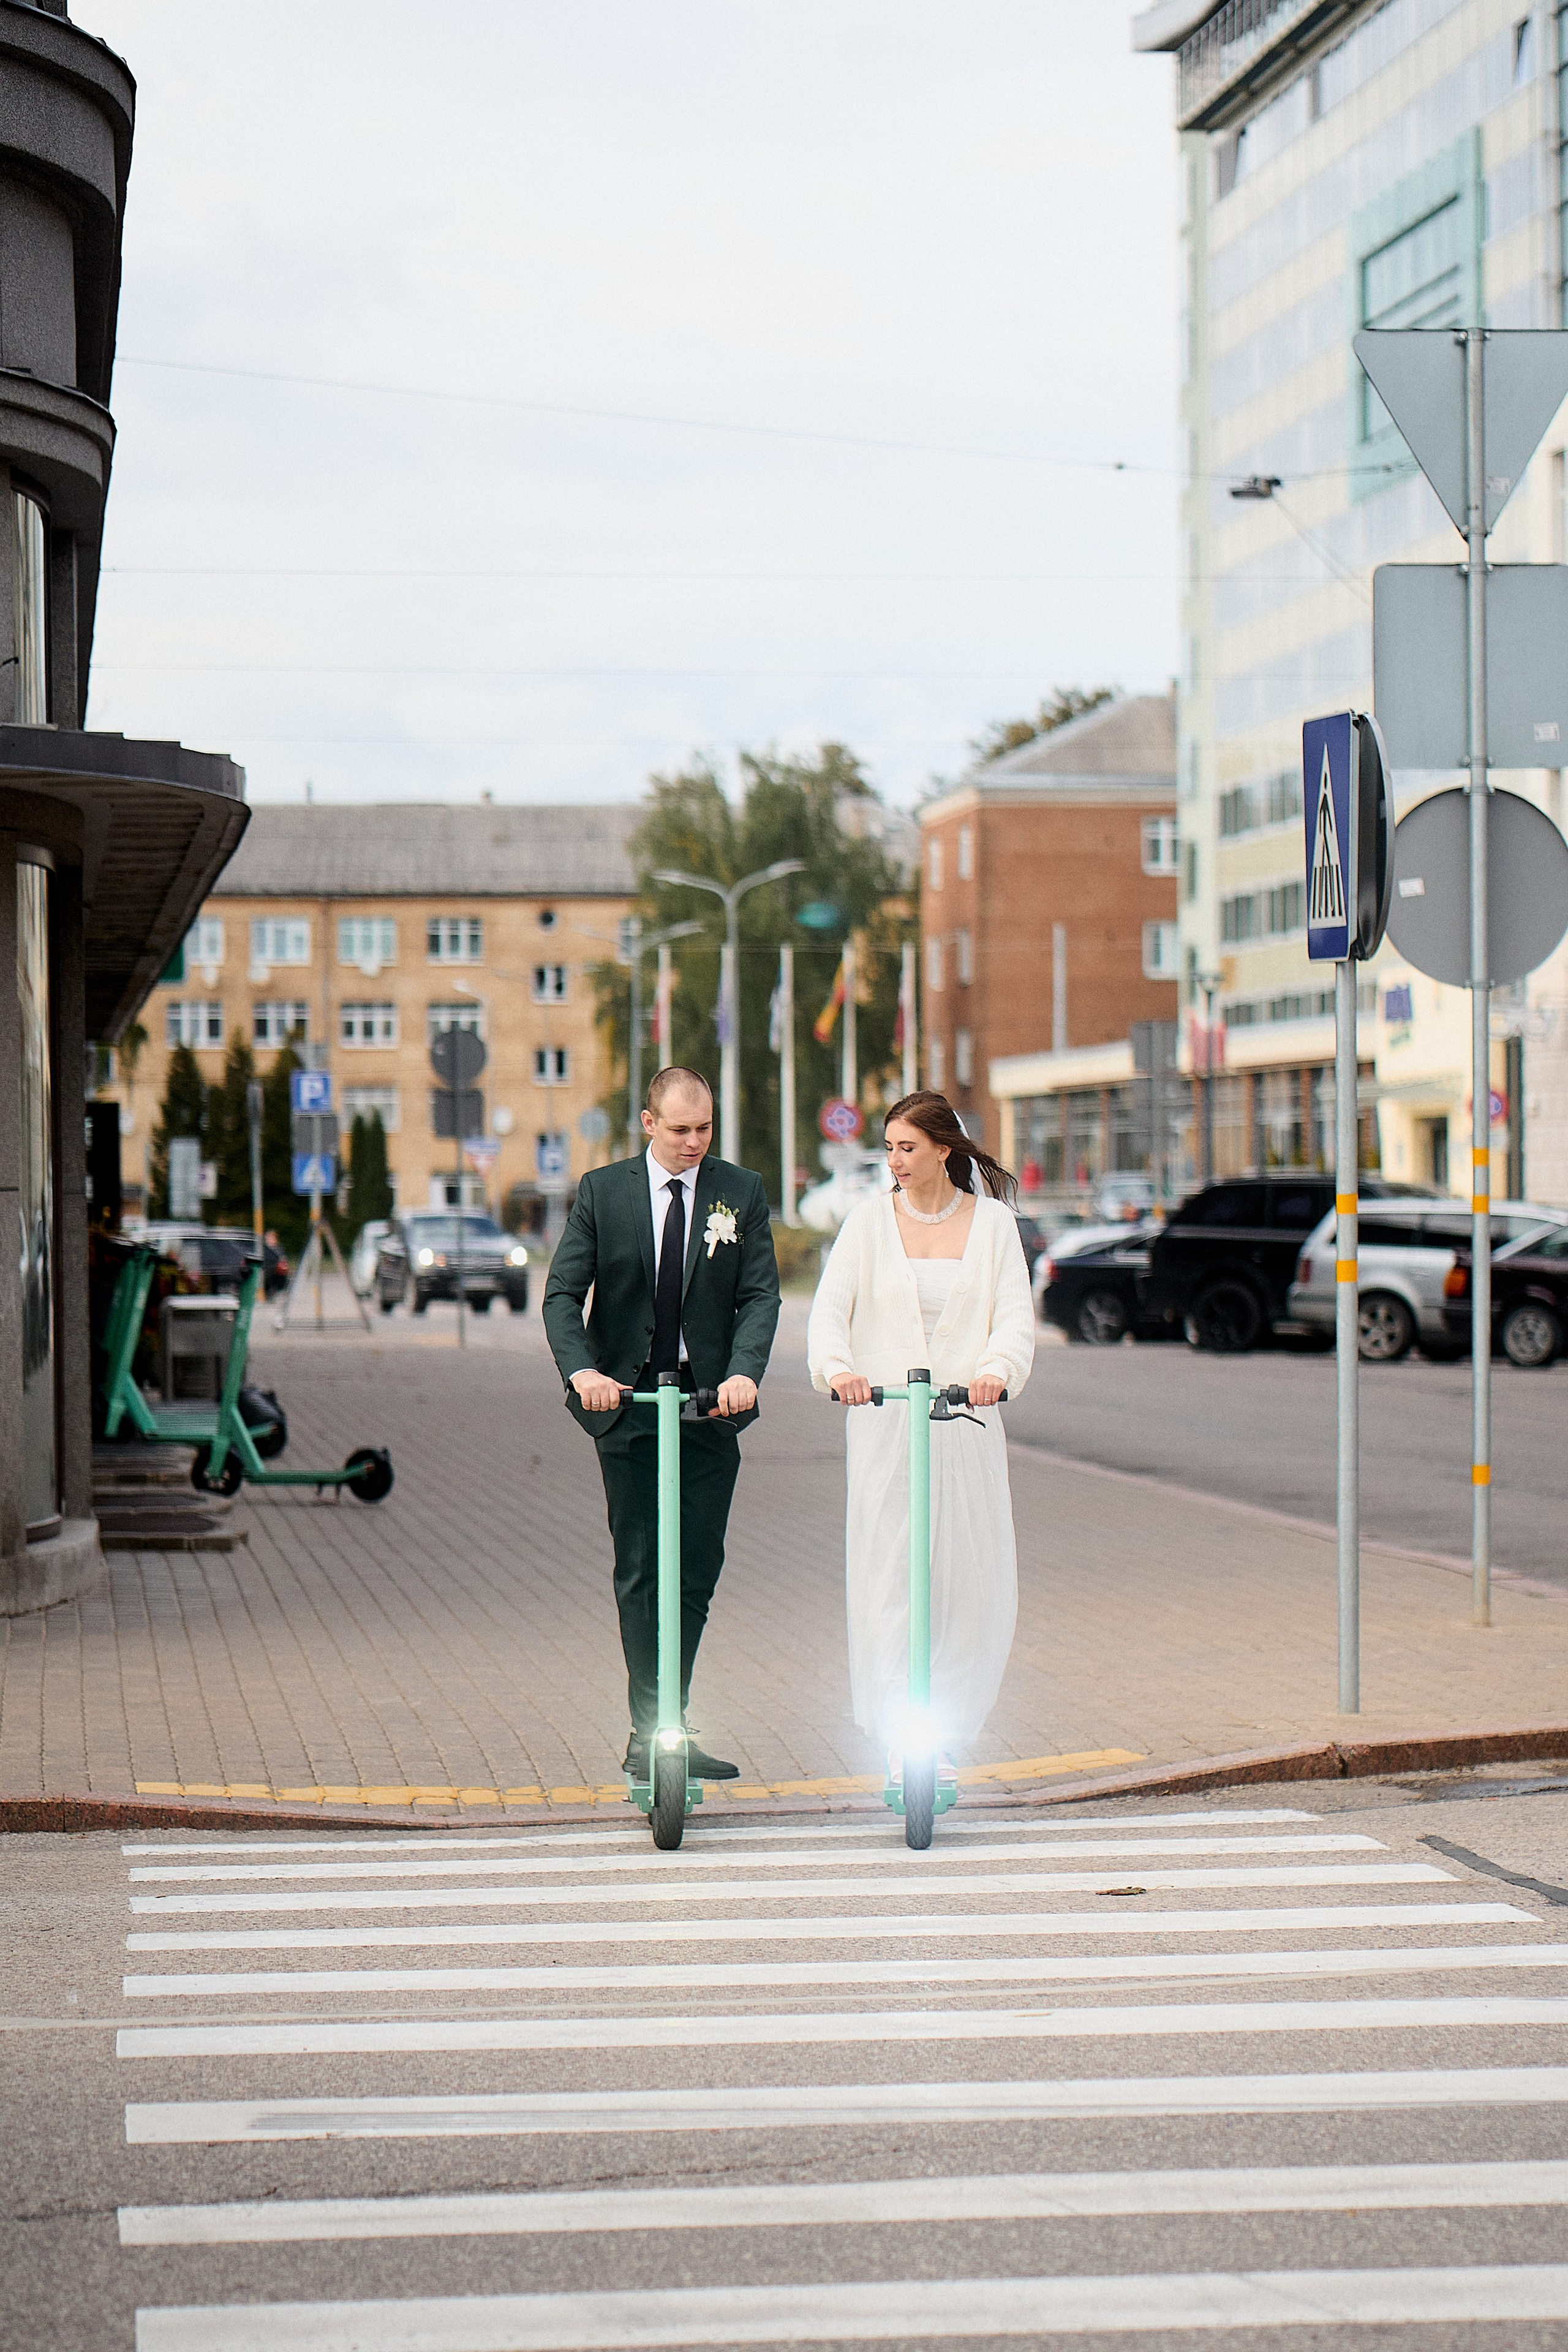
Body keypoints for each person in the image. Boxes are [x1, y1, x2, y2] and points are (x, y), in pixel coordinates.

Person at [543, 1067, 780, 1781]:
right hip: (629, 1402)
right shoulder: (603, 1192)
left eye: (704, 1129)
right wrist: (583, 1373)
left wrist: (743, 1372)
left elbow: (761, 1294)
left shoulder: (739, 1192)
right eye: (679, 1130)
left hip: (710, 1406)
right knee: (643, 1568)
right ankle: (652, 1726)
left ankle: (664, 1721)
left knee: (697, 1569)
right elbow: (561, 1295)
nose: (694, 1143)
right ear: (648, 1123)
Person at [807, 1090, 1033, 1773]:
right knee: (891, 1578)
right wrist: (838, 1370)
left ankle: (950, 1724)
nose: (895, 1161)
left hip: (964, 1420)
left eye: (907, 1147)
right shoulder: (868, 1224)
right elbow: (827, 1316)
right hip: (885, 1423)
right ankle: (895, 1721)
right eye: (888, 1148)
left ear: (943, 1149)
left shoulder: (993, 1225)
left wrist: (996, 1371)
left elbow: (1014, 1320)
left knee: (966, 1578)